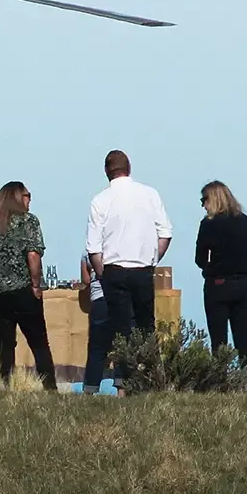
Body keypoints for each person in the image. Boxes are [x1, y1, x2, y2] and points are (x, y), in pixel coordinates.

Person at [84, 149, 171, 378]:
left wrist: (102, 275)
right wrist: (153, 259)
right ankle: (151, 378)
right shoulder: (149, 194)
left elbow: (93, 248)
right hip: (142, 269)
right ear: (129, 168)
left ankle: (124, 382)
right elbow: (165, 233)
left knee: (121, 332)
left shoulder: (100, 200)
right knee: (146, 327)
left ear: (106, 171)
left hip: (113, 270)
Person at [0, 181, 57, 389]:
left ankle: (6, 385)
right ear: (17, 198)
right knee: (38, 342)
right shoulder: (29, 222)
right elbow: (33, 255)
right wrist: (36, 285)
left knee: (6, 343)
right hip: (23, 290)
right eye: (27, 195)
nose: (30, 200)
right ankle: (49, 387)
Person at [195, 179, 247, 379]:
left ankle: (220, 384)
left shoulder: (209, 224)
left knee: (219, 342)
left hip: (217, 285)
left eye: (204, 200)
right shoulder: (243, 220)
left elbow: (200, 258)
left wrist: (211, 266)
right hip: (242, 283)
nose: (203, 205)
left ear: (213, 199)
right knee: (242, 340)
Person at [78, 246, 112, 394]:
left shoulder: (88, 249)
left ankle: (90, 388)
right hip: (120, 297)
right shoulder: (119, 243)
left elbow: (85, 280)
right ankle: (122, 389)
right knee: (122, 343)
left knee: (96, 347)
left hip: (98, 299)